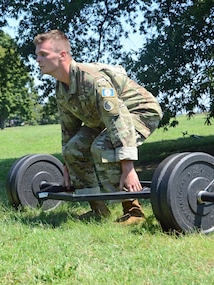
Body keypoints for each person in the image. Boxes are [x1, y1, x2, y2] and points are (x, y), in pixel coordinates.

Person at [33, 30, 163, 225]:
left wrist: (128, 167)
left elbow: (118, 119)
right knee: (73, 149)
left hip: (138, 112)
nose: (38, 60)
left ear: (62, 55)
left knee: (103, 147)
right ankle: (98, 210)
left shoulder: (92, 80)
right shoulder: (62, 88)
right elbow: (69, 129)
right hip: (104, 120)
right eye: (37, 55)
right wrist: (68, 164)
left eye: (43, 54)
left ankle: (134, 211)